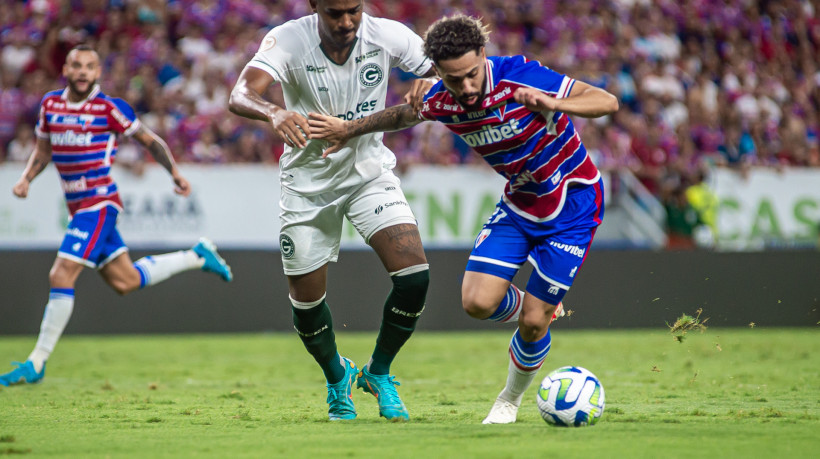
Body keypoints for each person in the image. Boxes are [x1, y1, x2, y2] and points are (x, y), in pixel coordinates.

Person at [309, 14, 618, 424]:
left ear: (484, 57)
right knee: (476, 303)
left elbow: (606, 101)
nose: (467, 87)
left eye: (472, 74)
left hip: (574, 205)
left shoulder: (519, 76)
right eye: (455, 80)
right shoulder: (443, 98)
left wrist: (555, 104)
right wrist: (348, 129)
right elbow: (401, 116)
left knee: (530, 324)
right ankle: (539, 310)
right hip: (520, 205)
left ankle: (509, 399)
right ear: (437, 72)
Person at [228, 0, 436, 421]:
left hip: (368, 172)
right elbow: (240, 93)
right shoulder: (289, 39)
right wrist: (275, 111)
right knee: (306, 305)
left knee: (415, 278)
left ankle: (379, 373)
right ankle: (338, 375)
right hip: (307, 184)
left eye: (353, 11)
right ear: (314, 7)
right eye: (334, 13)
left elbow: (445, 74)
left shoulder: (388, 35)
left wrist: (430, 82)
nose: (345, 22)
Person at [0, 45, 233, 387]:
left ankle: (36, 362)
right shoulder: (50, 105)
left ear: (97, 73)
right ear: (66, 68)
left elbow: (149, 141)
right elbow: (44, 151)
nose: (82, 71)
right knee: (126, 281)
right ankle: (196, 256)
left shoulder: (109, 108)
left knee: (61, 274)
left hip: (99, 203)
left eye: (89, 66)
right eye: (76, 65)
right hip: (77, 206)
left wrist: (175, 174)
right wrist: (25, 179)